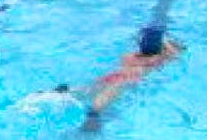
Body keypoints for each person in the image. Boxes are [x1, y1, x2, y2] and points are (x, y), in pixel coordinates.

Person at [25, 27, 182, 131]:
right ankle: (93, 114)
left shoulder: (128, 56)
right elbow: (176, 53)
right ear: (159, 47)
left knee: (88, 89)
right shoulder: (156, 60)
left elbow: (140, 41)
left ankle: (63, 92)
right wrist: (165, 42)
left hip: (112, 75)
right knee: (105, 97)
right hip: (125, 80)